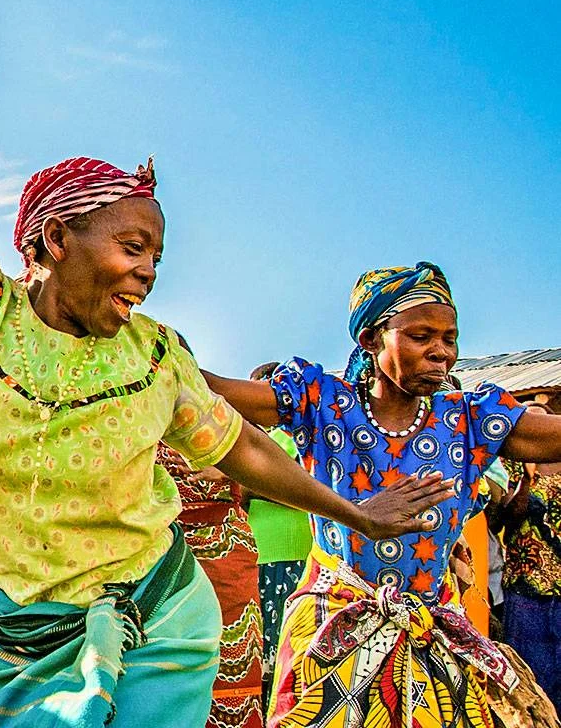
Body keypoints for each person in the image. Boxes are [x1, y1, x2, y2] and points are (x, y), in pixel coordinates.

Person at [0, 0, 454, 725]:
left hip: (159, 620)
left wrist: (353, 511)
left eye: (156, 257)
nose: (148, 272)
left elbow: (243, 448)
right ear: (55, 240)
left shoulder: (154, 354)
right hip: (17, 637)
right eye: (132, 248)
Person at [200, 263, 561, 727]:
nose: (441, 352)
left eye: (449, 339)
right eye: (421, 336)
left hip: (429, 632)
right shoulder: (323, 403)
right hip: (332, 628)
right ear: (371, 339)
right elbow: (216, 393)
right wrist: (153, 352)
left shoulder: (470, 419)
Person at [157, 445, 264, 728]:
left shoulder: (228, 416)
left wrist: (235, 467)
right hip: (145, 552)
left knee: (230, 676)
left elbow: (265, 454)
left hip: (223, 550)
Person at [238, 363, 312, 700]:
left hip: (293, 554)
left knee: (291, 651)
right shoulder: (247, 440)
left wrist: (251, 484)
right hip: (258, 554)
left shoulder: (297, 437)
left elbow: (306, 488)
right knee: (261, 651)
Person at [489, 408, 561, 709]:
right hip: (525, 591)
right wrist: (526, 483)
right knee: (532, 685)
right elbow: (499, 520)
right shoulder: (515, 464)